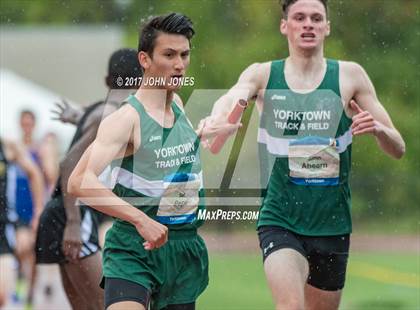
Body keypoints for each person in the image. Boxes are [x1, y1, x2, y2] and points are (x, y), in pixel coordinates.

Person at [204, 0, 406, 309]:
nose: (308, 24)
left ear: (327, 27)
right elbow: (234, 95)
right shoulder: (263, 75)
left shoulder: (350, 76)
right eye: (299, 17)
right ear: (285, 26)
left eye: (316, 18)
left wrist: (378, 128)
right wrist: (219, 119)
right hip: (280, 217)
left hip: (332, 223)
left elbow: (398, 148)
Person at [68, 13, 239, 310]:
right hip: (134, 249)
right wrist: (141, 219)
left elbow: (166, 160)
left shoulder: (177, 104)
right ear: (145, 60)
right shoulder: (126, 119)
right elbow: (79, 181)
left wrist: (202, 134)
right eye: (169, 55)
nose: (179, 64)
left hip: (182, 248)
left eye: (184, 55)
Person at [35, 48, 143, 310]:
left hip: (61, 211)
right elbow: (69, 162)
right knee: (104, 305)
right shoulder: (111, 113)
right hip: (73, 214)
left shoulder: (99, 110)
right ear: (140, 80)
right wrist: (73, 222)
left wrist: (77, 119)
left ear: (108, 80)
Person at [0, 138, 43, 308]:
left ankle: (26, 295)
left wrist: (38, 212)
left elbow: (34, 173)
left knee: (1, 297)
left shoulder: (7, 145)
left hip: (4, 230)